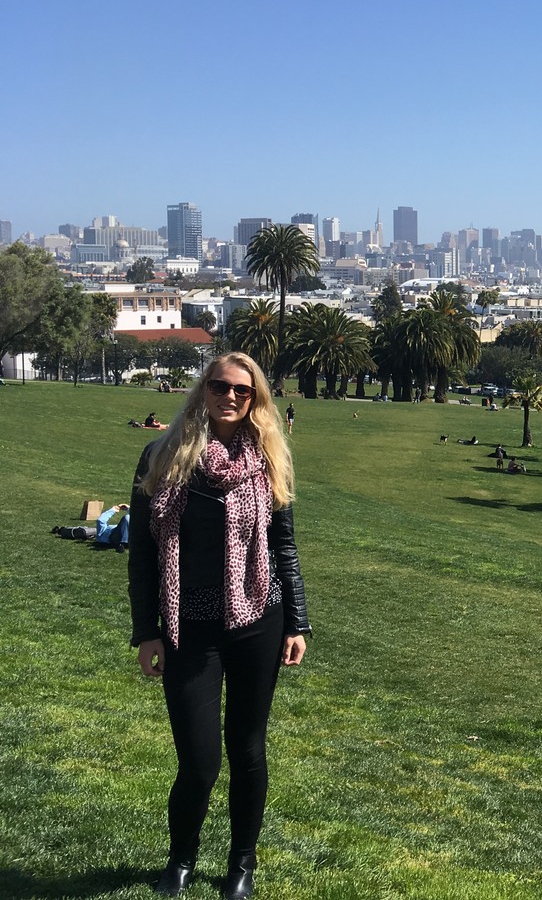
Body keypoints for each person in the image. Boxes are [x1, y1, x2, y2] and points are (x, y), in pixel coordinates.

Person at [128, 352, 312, 899]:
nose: (229, 397)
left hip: (258, 617)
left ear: (255, 398)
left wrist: (297, 622)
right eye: (218, 387)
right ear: (201, 392)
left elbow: (284, 546)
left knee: (248, 750)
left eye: (241, 390)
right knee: (199, 760)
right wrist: (147, 630)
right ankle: (180, 859)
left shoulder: (268, 459)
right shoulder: (161, 457)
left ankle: (241, 865)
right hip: (189, 626)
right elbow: (142, 555)